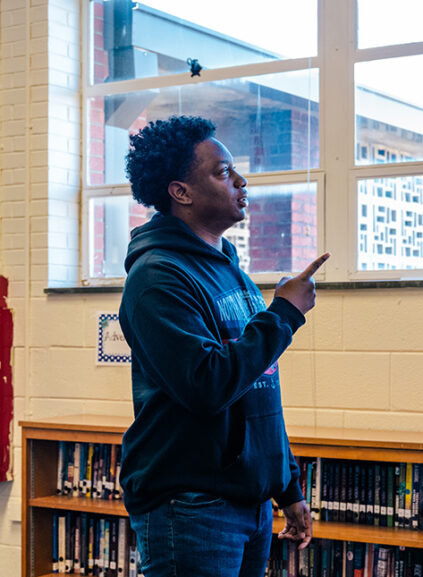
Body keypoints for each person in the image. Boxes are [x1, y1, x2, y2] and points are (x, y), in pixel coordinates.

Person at [118, 115, 328, 577]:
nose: (240, 180)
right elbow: (207, 385)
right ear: (182, 192)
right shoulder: (157, 277)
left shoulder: (231, 269)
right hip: (191, 504)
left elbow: (258, 390)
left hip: (249, 501)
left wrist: (287, 486)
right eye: (221, 172)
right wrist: (285, 314)